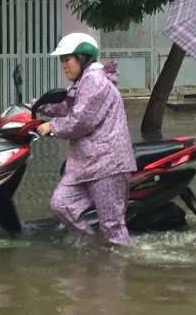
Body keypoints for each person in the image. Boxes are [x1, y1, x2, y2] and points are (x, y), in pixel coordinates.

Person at [35, 32, 137, 246]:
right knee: (61, 204)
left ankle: (123, 265)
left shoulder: (95, 81)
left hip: (108, 164)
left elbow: (80, 120)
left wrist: (50, 126)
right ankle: (91, 245)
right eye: (62, 60)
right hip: (86, 164)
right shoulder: (83, 81)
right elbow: (67, 106)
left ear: (82, 58)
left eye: (67, 60)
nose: (64, 66)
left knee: (112, 225)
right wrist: (37, 106)